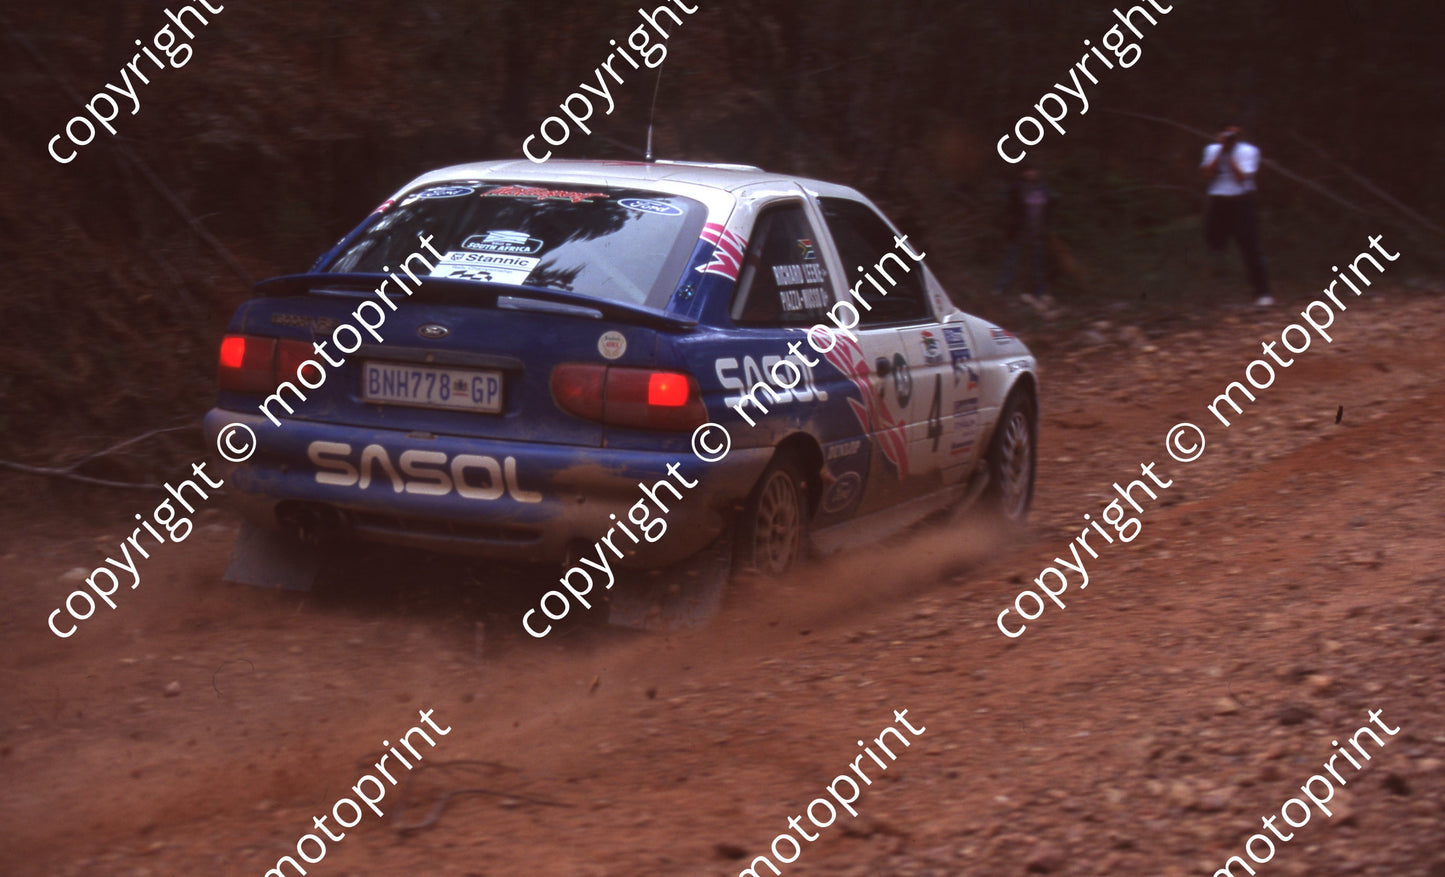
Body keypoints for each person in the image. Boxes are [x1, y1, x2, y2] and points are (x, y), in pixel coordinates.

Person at [1200, 125, 1273, 307]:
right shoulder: (1211, 149)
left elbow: (1242, 177)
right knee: (1213, 244)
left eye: (1234, 133)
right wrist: (1221, 151)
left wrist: (1230, 154)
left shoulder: (1249, 151)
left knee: (1250, 246)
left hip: (1242, 201)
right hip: (1219, 201)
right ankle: (1213, 294)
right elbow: (1207, 174)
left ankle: (1263, 292)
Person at [992, 165, 1054, 303]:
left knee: (1038, 263)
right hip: (1019, 231)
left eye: (1033, 170)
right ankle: (1001, 288)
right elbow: (1011, 208)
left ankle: (1040, 291)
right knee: (1011, 260)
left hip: (1037, 232)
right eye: (1028, 171)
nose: (1031, 173)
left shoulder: (1043, 189)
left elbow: (1050, 207)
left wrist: (1045, 227)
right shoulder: (1017, 189)